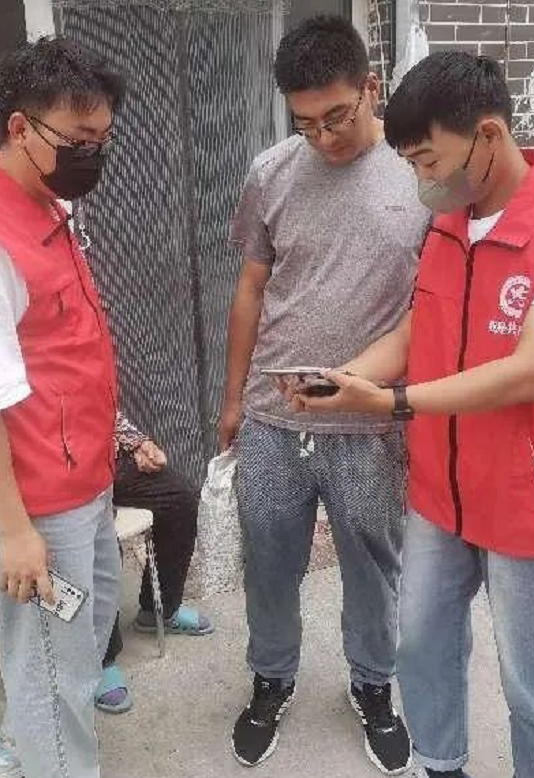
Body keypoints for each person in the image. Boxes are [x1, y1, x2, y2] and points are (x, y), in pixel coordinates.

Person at [290, 52, 534, 778]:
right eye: (412, 164)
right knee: (420, 642)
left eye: (429, 160)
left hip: (530, 499)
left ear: (488, 135)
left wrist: (392, 402)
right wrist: (347, 377)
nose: (423, 179)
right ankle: (439, 764)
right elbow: (417, 331)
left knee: (531, 678)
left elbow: (530, 371)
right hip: (443, 490)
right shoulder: (450, 224)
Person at [220, 15, 429, 774]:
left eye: (335, 116)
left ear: (371, 88)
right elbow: (251, 286)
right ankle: (271, 678)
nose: (322, 137)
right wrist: (233, 399)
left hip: (368, 422)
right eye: (304, 123)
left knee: (373, 566)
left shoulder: (419, 176)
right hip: (274, 418)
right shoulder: (270, 172)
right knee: (269, 561)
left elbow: (429, 308)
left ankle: (372, 684)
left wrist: (394, 398)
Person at [0, 37, 124, 778]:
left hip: (79, 477)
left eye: (102, 140)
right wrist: (14, 532)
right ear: (20, 128)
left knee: (82, 633)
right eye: (79, 140)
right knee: (52, 669)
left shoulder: (46, 205)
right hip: (31, 498)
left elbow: (64, 352)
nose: (92, 156)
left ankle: (17, 744)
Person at [94, 411, 213, 714]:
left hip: (107, 458)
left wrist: (138, 443)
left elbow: (104, 408)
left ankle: (159, 610)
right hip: (63, 470)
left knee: (180, 500)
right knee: (100, 537)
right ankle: (99, 657)